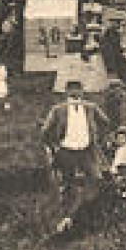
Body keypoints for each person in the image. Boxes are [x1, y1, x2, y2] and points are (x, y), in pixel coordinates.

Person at [40, 79, 111, 216]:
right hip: (66, 150)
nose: (75, 94)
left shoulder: (91, 107)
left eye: (78, 90)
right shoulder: (58, 110)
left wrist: (99, 138)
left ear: (82, 92)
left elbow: (105, 122)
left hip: (86, 150)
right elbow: (45, 131)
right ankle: (66, 209)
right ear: (66, 93)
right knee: (67, 181)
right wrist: (53, 146)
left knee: (95, 177)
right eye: (72, 91)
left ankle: (91, 205)